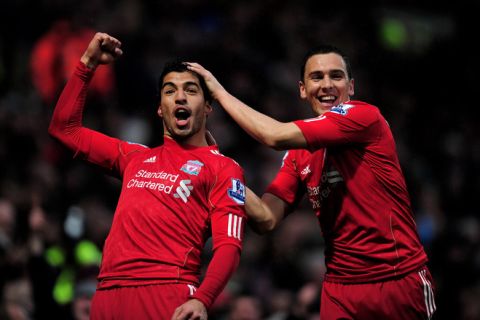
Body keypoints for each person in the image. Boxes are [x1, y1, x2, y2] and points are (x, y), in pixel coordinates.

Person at [187, 45, 437, 320]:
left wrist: (219, 93)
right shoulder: (298, 155)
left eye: (336, 76)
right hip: (340, 290)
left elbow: (275, 136)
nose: (327, 85)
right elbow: (267, 217)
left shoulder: (364, 117)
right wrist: (221, 170)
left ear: (351, 86)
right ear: (303, 89)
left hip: (397, 279)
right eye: (317, 77)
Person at [48, 32, 247, 320]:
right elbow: (64, 129)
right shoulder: (135, 157)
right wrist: (88, 64)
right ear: (159, 109)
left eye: (191, 90)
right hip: (107, 294)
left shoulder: (224, 168)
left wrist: (203, 299)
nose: (179, 96)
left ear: (207, 107)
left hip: (167, 292)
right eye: (169, 91)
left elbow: (229, 245)